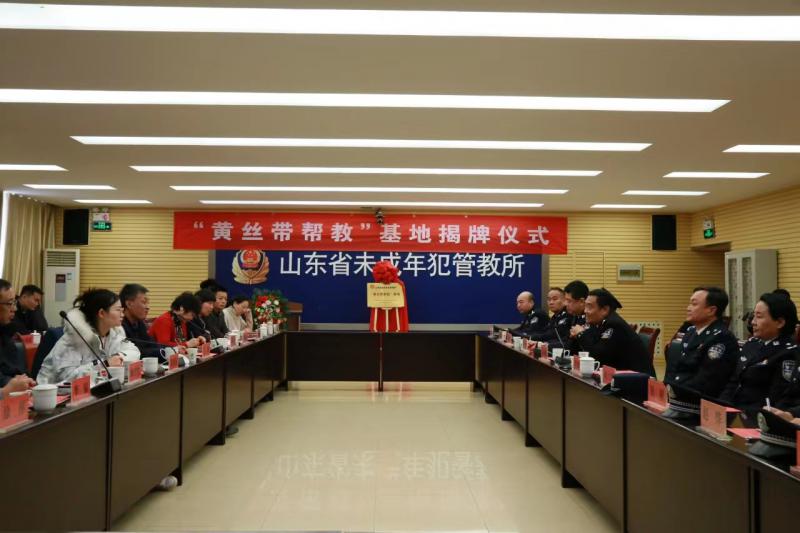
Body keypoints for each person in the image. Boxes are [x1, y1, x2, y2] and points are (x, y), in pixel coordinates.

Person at [720, 292, 799, 417]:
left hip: (755, 417)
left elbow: (778, 399)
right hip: (732, 412)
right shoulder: (752, 343)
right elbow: (733, 382)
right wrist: (721, 407)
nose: (753, 322)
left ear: (779, 322)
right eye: (753, 316)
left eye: (759, 317)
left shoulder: (789, 353)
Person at [38, 289, 140, 384]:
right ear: (101, 313)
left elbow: (134, 352)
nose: (122, 314)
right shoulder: (74, 339)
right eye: (118, 310)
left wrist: (117, 357)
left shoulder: (113, 333)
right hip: (52, 394)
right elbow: (65, 378)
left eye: (122, 310)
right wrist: (104, 364)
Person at [663, 287, 739, 397]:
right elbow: (675, 367)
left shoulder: (722, 338)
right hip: (678, 394)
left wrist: (673, 392)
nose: (688, 308)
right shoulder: (691, 332)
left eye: (694, 304)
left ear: (711, 310)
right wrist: (666, 388)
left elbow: (706, 381)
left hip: (697, 399)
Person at [569, 288, 655, 375]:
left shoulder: (614, 325)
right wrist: (578, 336)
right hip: (622, 375)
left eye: (590, 307)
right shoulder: (600, 323)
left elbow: (598, 357)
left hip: (638, 379)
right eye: (585, 306)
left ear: (605, 310)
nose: (585, 311)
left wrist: (581, 334)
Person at [0, 279, 35, 390]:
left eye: (14, 303)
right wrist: (12, 384)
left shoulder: (6, 334)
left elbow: (14, 370)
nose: (14, 309)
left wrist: (25, 380)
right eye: (9, 303)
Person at [120, 283, 161, 359]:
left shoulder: (139, 323)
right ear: (129, 304)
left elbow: (151, 344)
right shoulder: (119, 326)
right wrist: (163, 352)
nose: (148, 307)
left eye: (147, 303)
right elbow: (137, 352)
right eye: (144, 302)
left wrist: (170, 349)